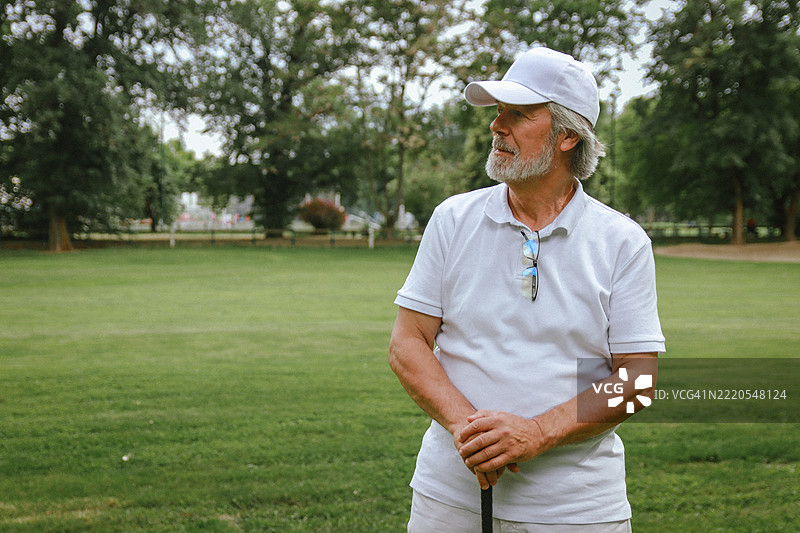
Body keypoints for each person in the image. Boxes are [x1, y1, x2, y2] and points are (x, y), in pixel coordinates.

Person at [388, 47, 665, 532]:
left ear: (568, 136)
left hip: (577, 511)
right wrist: (469, 431)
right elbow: (407, 343)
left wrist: (537, 432)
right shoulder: (452, 219)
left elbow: (636, 378)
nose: (497, 126)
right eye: (498, 113)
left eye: (518, 114)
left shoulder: (622, 242)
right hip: (449, 498)